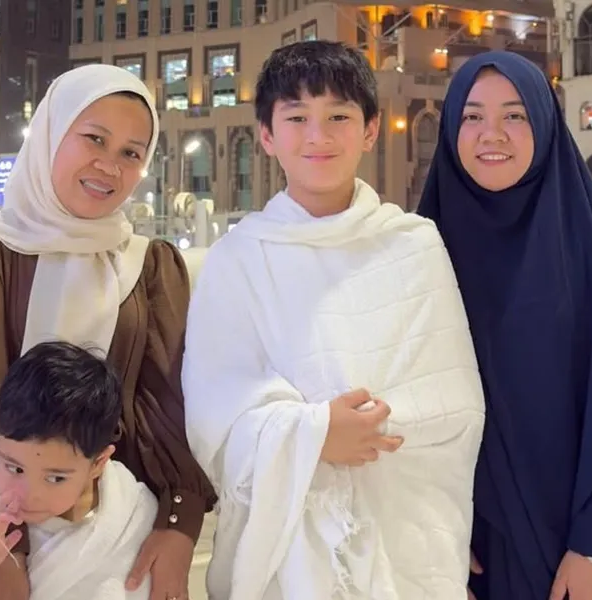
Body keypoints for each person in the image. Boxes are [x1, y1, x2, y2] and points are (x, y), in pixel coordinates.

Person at [182, 41, 486, 599]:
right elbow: (213, 414)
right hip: (287, 555)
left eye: (338, 117)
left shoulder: (414, 244)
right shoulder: (239, 258)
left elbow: (455, 403)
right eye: (296, 118)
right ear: (267, 136)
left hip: (405, 530)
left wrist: (369, 434)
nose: (317, 136)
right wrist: (315, 435)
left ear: (371, 130)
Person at [0, 64, 215, 600]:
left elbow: (169, 407)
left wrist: (178, 523)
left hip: (112, 541)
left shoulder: (149, 266)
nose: (110, 165)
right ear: (52, 134)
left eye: (131, 152)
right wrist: (3, 551)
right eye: (94, 139)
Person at [417, 52, 592, 600]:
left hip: (573, 541)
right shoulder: (422, 249)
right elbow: (402, 396)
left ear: (546, 125)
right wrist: (430, 531)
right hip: (461, 544)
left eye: (515, 116)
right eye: (473, 117)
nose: (493, 134)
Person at [0, 341, 156, 600]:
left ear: (98, 463)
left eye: (55, 478)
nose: (29, 494)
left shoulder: (133, 517)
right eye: (14, 468)